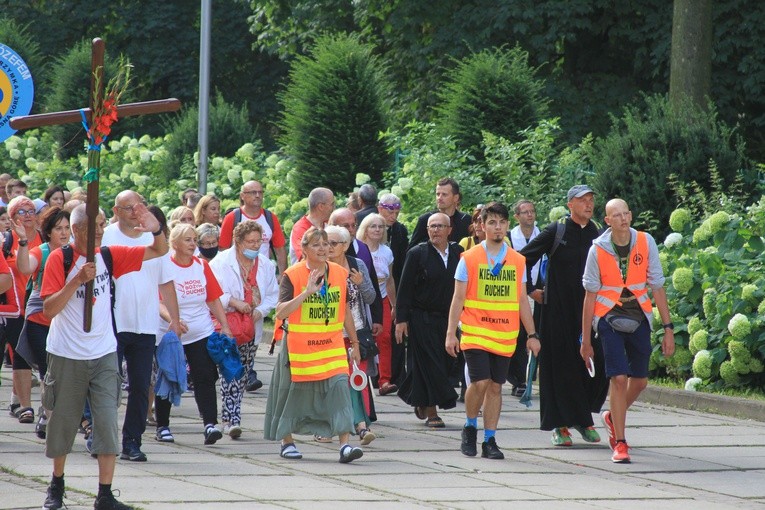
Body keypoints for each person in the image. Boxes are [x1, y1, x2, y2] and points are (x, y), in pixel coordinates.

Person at [40, 202, 166, 510]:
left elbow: (158, 251)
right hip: (66, 354)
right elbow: (49, 309)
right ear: (79, 229)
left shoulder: (110, 255)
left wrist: (156, 228)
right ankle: (56, 486)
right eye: (95, 225)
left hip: (104, 353)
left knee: (107, 423)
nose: (101, 229)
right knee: (63, 424)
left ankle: (105, 494)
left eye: (101, 223)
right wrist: (76, 281)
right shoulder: (61, 258)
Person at [580, 198, 675, 463]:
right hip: (608, 316)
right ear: (607, 221)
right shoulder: (596, 250)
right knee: (618, 379)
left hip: (638, 314)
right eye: (616, 215)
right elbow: (589, 296)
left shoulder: (645, 242)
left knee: (640, 380)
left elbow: (657, 285)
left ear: (631, 216)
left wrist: (668, 328)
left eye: (626, 214)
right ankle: (620, 443)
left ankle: (612, 416)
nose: (622, 219)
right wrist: (585, 339)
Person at [446, 202, 540, 460]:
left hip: (505, 334)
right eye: (491, 223)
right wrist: (451, 333)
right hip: (475, 330)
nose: (497, 227)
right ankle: (470, 427)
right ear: (482, 226)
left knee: (496, 387)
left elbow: (522, 300)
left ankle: (490, 440)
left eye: (501, 223)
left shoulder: (518, 261)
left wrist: (532, 335)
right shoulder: (470, 258)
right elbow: (457, 298)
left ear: (507, 225)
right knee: (480, 382)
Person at [265, 227, 364, 463]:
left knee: (340, 390)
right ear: (305, 249)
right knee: (290, 395)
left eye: (326, 244)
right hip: (299, 349)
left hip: (331, 346)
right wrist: (307, 293)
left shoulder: (340, 273)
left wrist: (356, 343)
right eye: (317, 245)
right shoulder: (293, 274)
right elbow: (280, 311)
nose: (324, 249)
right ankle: (286, 441)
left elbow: (345, 310)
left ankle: (345, 446)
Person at [520, 185, 609, 447]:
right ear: (570, 204)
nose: (589, 204)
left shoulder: (598, 234)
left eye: (592, 200)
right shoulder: (556, 231)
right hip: (556, 310)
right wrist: (530, 290)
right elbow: (523, 258)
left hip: (590, 310)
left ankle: (583, 420)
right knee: (558, 367)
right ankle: (559, 425)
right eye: (583, 200)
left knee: (595, 363)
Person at [101, 190, 182, 463]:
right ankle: (100, 437)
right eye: (128, 208)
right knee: (107, 384)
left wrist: (174, 319)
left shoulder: (153, 240)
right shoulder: (108, 236)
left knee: (139, 385)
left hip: (146, 324)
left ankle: (131, 442)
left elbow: (166, 281)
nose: (136, 212)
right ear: (116, 211)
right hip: (114, 322)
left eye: (140, 206)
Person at [153, 223, 232, 446]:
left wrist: (224, 326)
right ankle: (163, 426)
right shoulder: (164, 266)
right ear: (174, 243)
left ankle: (210, 425)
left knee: (205, 376)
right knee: (169, 376)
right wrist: (174, 321)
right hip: (171, 333)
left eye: (194, 239)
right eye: (188, 240)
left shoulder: (201, 266)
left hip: (200, 330)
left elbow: (213, 298)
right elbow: (157, 301)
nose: (193, 244)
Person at [209, 221, 278, 439]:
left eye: (258, 241)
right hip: (227, 326)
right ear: (238, 242)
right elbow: (213, 292)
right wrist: (235, 302)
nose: (255, 245)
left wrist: (261, 311)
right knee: (229, 371)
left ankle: (231, 417)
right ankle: (232, 419)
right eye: (250, 241)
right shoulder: (221, 262)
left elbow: (272, 295)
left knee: (243, 374)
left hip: (250, 327)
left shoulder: (266, 265)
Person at [396, 212, 462, 427]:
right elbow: (404, 288)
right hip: (421, 317)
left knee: (443, 362)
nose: (435, 230)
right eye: (431, 226)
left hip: (448, 319)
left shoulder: (458, 253)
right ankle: (433, 411)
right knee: (430, 362)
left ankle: (419, 398)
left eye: (440, 226)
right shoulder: (417, 253)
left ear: (449, 230)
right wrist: (401, 320)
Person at [14, 207, 70, 439]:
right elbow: (25, 267)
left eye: (67, 228)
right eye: (58, 229)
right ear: (48, 232)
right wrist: (24, 242)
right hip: (40, 319)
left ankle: (51, 415)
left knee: (64, 375)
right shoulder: (43, 251)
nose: (64, 233)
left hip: (66, 321)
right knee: (48, 373)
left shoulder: (74, 252)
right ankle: (51, 419)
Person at [326, 225, 378, 444]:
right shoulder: (321, 267)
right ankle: (332, 426)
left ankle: (362, 426)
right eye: (325, 242)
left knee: (357, 379)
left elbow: (371, 298)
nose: (328, 248)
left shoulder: (358, 265)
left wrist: (361, 284)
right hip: (330, 334)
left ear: (346, 246)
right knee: (336, 381)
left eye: (333, 243)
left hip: (357, 332)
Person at [3, 196, 43, 425]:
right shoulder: (7, 241)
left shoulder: (45, 238)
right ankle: (26, 406)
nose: (28, 215)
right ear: (12, 217)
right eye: (21, 211)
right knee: (20, 354)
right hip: (16, 307)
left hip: (40, 304)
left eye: (31, 210)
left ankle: (17, 399)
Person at [357, 213, 397, 396]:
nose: (377, 230)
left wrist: (394, 304)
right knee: (363, 337)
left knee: (385, 338)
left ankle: (385, 380)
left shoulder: (387, 252)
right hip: (362, 299)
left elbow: (390, 280)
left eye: (381, 226)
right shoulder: (359, 250)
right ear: (365, 229)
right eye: (373, 226)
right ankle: (363, 376)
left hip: (381, 299)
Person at [507, 199, 542, 397]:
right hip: (517, 292)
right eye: (525, 212)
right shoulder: (510, 237)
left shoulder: (543, 234)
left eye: (532, 211)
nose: (529, 215)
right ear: (517, 216)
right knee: (519, 336)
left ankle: (531, 377)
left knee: (535, 334)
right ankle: (518, 379)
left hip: (539, 291)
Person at [218, 181, 287, 277]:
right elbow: (223, 249)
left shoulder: (270, 218)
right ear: (242, 196)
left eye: (260, 192)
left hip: (263, 273)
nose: (258, 195)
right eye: (253, 192)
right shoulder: (232, 218)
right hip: (237, 274)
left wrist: (283, 276)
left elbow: (280, 250)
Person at [376, 193, 409, 386]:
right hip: (372, 286)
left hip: (392, 283)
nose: (393, 217)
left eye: (397, 212)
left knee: (390, 334)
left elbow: (402, 262)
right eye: (390, 212)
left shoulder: (399, 231)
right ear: (380, 209)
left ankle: (393, 376)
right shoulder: (371, 225)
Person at [408, 178, 472, 248]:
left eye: (444, 194)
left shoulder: (466, 220)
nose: (439, 198)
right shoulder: (425, 219)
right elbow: (412, 251)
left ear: (456, 198)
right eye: (438, 194)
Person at [289, 187, 335, 264]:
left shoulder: (329, 223)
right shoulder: (300, 228)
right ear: (321, 207)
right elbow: (305, 256)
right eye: (332, 204)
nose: (334, 208)